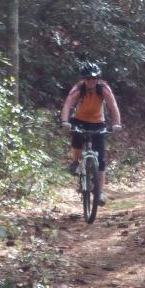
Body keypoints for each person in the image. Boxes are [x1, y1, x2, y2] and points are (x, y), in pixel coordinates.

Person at [60, 63, 122, 206]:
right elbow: (67, 105)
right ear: (84, 79)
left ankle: (99, 192)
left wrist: (116, 123)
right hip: (79, 120)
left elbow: (113, 105)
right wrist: (65, 121)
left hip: (97, 122)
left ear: (98, 79)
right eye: (88, 79)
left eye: (94, 79)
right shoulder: (78, 89)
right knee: (76, 138)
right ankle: (75, 162)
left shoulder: (103, 89)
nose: (91, 81)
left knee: (100, 160)